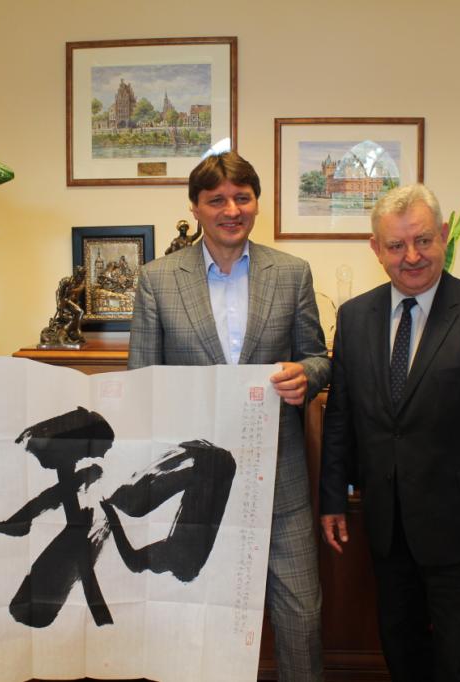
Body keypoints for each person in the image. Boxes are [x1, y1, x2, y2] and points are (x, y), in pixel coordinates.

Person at [319, 184, 460, 682]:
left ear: (443, 235)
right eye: (396, 245)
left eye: (422, 240)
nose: (412, 256)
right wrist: (333, 497)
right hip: (388, 530)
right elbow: (342, 417)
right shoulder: (354, 318)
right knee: (403, 652)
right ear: (376, 249)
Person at [128, 151, 330, 681]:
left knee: (300, 615)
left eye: (242, 198)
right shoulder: (157, 280)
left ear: (257, 203)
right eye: (216, 200)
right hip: (192, 483)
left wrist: (306, 376)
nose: (231, 210)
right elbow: (140, 379)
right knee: (195, 617)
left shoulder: (291, 273)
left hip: (278, 477)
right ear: (195, 208)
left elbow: (318, 357)